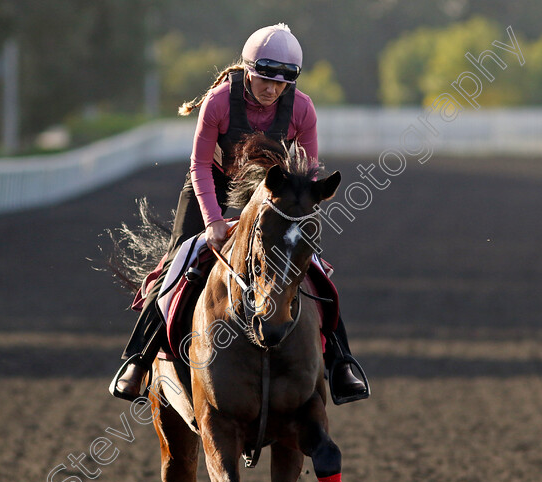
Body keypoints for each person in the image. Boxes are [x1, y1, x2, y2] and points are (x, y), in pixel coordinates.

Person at [110, 23, 368, 403]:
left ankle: (341, 363)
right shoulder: (217, 103)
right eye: (265, 79)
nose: (272, 90)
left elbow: (304, 177)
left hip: (267, 190)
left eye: (281, 84)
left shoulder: (303, 109)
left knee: (308, 265)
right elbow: (198, 166)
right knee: (176, 261)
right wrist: (214, 221)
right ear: (248, 70)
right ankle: (138, 358)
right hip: (210, 182)